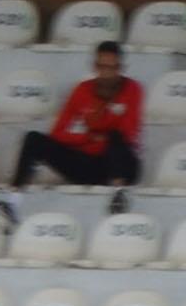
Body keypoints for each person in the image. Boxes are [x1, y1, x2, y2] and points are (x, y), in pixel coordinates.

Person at [11, 39, 145, 207]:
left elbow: (129, 134)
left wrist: (99, 137)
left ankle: (119, 196)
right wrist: (88, 138)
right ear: (94, 67)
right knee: (33, 140)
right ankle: (13, 199)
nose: (106, 73)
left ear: (121, 68)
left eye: (112, 68)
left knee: (116, 137)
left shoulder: (133, 89)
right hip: (89, 164)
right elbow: (58, 133)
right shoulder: (82, 89)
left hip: (122, 166)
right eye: (102, 67)